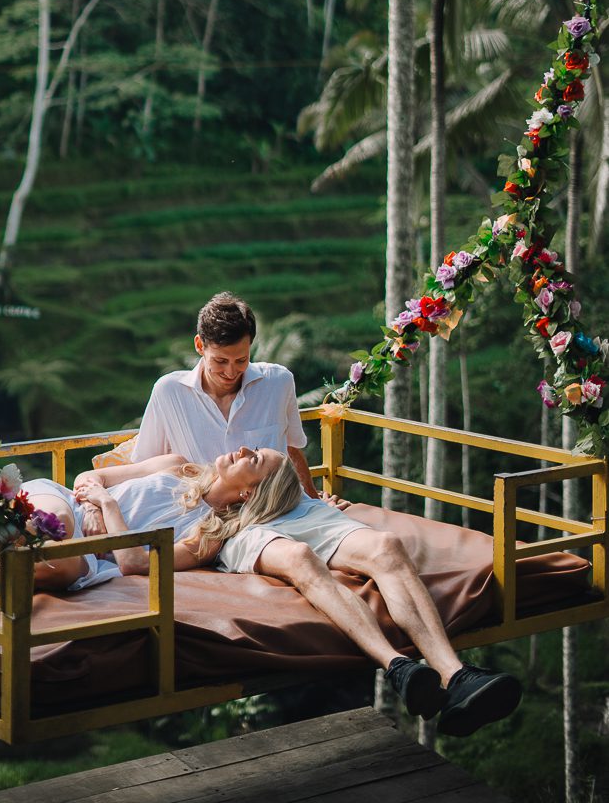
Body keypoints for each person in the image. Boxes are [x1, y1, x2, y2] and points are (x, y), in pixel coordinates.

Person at [72, 447, 524, 739]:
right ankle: (399, 666)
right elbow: (90, 479)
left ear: (249, 491)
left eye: (254, 458)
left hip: (269, 512)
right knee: (299, 558)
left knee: (384, 546)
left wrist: (314, 496)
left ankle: (454, 674)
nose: (244, 448)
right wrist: (96, 503)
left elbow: (138, 562)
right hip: (227, 523)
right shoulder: (178, 464)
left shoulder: (206, 530)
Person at [131, 292, 319, 497]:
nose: (231, 372)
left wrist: (316, 503)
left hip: (273, 511)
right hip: (205, 516)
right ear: (199, 346)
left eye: (241, 360)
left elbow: (292, 450)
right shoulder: (169, 392)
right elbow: (144, 468)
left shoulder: (278, 382)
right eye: (220, 361)